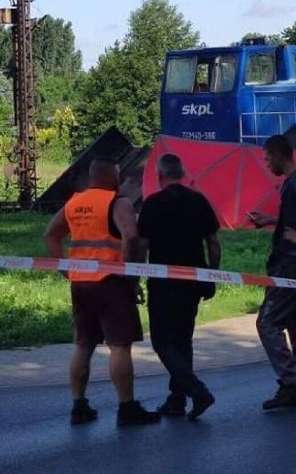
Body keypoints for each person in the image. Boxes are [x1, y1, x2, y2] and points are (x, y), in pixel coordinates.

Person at [43, 157, 161, 427]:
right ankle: (127, 407)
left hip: (81, 284)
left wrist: (65, 269)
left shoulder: (74, 202)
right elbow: (131, 236)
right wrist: (131, 276)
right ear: (112, 177)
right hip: (111, 282)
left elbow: (51, 235)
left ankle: (79, 405)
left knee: (83, 344)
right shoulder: (117, 203)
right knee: (119, 346)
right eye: (118, 175)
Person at [137, 154, 220, 421]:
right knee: (183, 340)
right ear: (182, 174)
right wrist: (212, 275)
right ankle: (176, 400)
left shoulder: (152, 204)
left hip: (162, 283)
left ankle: (197, 391)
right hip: (193, 281)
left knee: (162, 341)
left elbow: (142, 245)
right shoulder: (198, 201)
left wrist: (134, 277)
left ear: (160, 176)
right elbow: (213, 242)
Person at [248, 135, 296, 410]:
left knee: (267, 323)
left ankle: (290, 381)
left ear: (279, 155)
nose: (267, 165)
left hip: (291, 265)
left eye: (267, 159)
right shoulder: (295, 182)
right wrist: (273, 221)